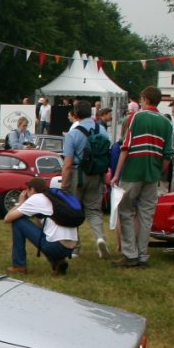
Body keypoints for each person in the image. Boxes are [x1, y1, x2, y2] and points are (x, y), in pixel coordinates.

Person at [111, 86, 174, 268]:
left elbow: (126, 147)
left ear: (145, 99)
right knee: (146, 216)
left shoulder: (136, 117)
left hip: (133, 172)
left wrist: (117, 174)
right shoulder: (166, 123)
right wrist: (157, 172)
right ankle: (142, 255)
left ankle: (130, 254)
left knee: (126, 211)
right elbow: (168, 154)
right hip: (152, 175)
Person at [60, 100, 107, 259]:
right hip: (97, 174)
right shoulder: (102, 129)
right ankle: (100, 238)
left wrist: (64, 185)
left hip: (77, 174)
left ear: (75, 114)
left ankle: (75, 247)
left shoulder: (73, 134)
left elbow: (67, 164)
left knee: (73, 210)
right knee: (94, 210)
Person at [4, 176, 77, 276]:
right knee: (48, 236)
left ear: (32, 190)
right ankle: (58, 262)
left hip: (56, 246)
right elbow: (42, 229)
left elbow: (7, 218)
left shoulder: (36, 198)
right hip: (71, 247)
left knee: (18, 222)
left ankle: (19, 266)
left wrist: (21, 203)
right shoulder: (52, 198)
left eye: (27, 190)